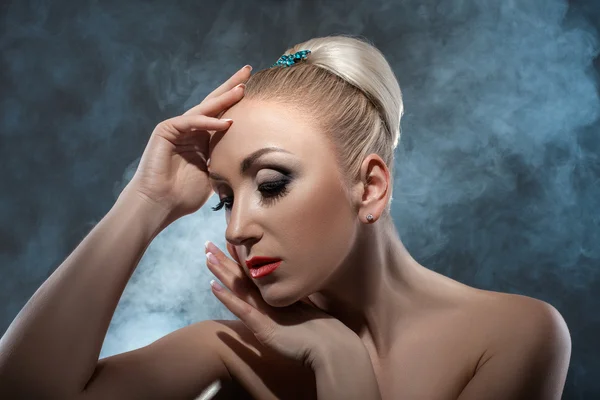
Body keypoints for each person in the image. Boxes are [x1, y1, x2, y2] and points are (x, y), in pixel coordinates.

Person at [0, 34, 571, 399]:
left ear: (370, 187)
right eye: (224, 197)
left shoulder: (512, 337)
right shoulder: (230, 349)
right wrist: (145, 202)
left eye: (271, 184)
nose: (234, 228)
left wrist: (340, 359)